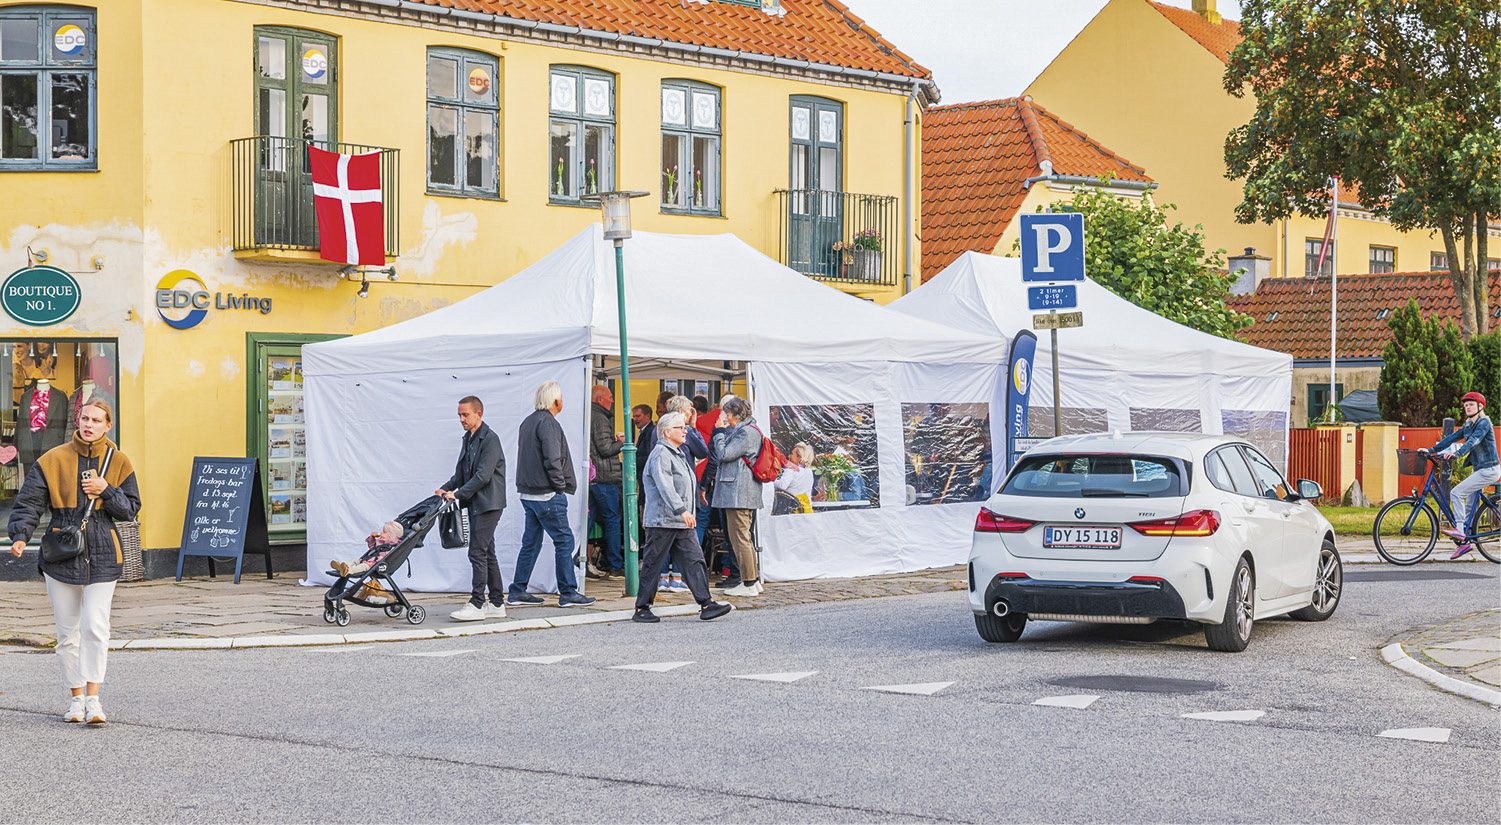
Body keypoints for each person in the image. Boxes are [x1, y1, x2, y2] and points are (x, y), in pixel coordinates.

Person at [8, 401, 139, 725]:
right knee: (68, 633)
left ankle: (94, 699)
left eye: (96, 420)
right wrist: (20, 535)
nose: (89, 424)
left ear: (108, 425)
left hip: (105, 552)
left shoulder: (119, 462)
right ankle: (76, 699)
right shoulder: (52, 459)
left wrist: (105, 489)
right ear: (77, 421)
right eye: (84, 418)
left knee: (95, 626)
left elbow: (130, 510)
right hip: (61, 552)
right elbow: (29, 502)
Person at [633, 412, 734, 623]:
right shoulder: (661, 453)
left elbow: (702, 452)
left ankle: (706, 603)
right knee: (653, 562)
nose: (684, 430)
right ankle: (642, 608)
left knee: (694, 560)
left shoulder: (677, 452)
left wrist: (686, 512)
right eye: (681, 427)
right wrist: (682, 509)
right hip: (664, 520)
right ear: (668, 432)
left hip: (680, 520)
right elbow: (665, 485)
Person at [509, 380, 596, 607]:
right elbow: (552, 459)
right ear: (556, 401)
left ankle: (518, 590)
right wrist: (559, 487)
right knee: (564, 540)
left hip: (529, 494)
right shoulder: (548, 424)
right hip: (547, 494)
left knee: (531, 543)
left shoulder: (528, 422)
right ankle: (568, 592)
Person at [436, 395, 508, 622]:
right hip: (477, 503)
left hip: (489, 503)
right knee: (487, 553)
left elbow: (483, 476)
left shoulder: (490, 439)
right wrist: (445, 488)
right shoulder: (469, 438)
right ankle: (496, 603)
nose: (461, 419)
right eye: (459, 415)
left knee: (476, 552)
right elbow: (462, 473)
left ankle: (477, 603)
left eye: (465, 414)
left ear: (479, 414)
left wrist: (457, 494)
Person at [1431, 392, 1499, 559]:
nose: (1467, 407)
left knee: (1456, 492)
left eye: (1471, 404)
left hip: (1489, 470)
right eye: (1466, 405)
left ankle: (1460, 531)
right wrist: (1431, 450)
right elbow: (1452, 437)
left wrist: (1458, 454)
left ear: (1480, 407)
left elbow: (1473, 441)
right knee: (1469, 506)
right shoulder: (1469, 424)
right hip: (1479, 470)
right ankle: (1465, 543)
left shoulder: (1484, 423)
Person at [712, 396, 765, 597]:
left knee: (739, 537)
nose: (725, 418)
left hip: (738, 493)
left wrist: (718, 433)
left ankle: (749, 582)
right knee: (745, 537)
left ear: (735, 414)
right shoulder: (750, 430)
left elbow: (724, 454)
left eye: (727, 414)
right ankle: (753, 580)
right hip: (744, 491)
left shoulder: (745, 432)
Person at [589, 385, 626, 576]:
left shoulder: (589, 415)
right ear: (599, 399)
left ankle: (580, 560)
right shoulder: (601, 419)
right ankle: (615, 564)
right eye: (610, 397)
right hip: (604, 478)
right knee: (612, 520)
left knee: (588, 521)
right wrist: (621, 442)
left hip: (593, 478)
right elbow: (605, 449)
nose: (612, 401)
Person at [330, 521, 405, 577]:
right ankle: (343, 567)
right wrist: (372, 538)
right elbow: (373, 547)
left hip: (374, 564)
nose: (381, 533)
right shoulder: (382, 542)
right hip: (368, 559)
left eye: (384, 532)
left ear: (392, 535)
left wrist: (382, 558)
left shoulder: (393, 546)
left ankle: (348, 571)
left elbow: (390, 556)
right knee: (355, 561)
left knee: (363, 566)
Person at [774, 442, 815, 514]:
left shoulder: (791, 470)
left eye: (792, 454)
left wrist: (771, 480)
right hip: (806, 509)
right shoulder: (809, 471)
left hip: (791, 509)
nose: (789, 456)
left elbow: (782, 486)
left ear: (799, 457)